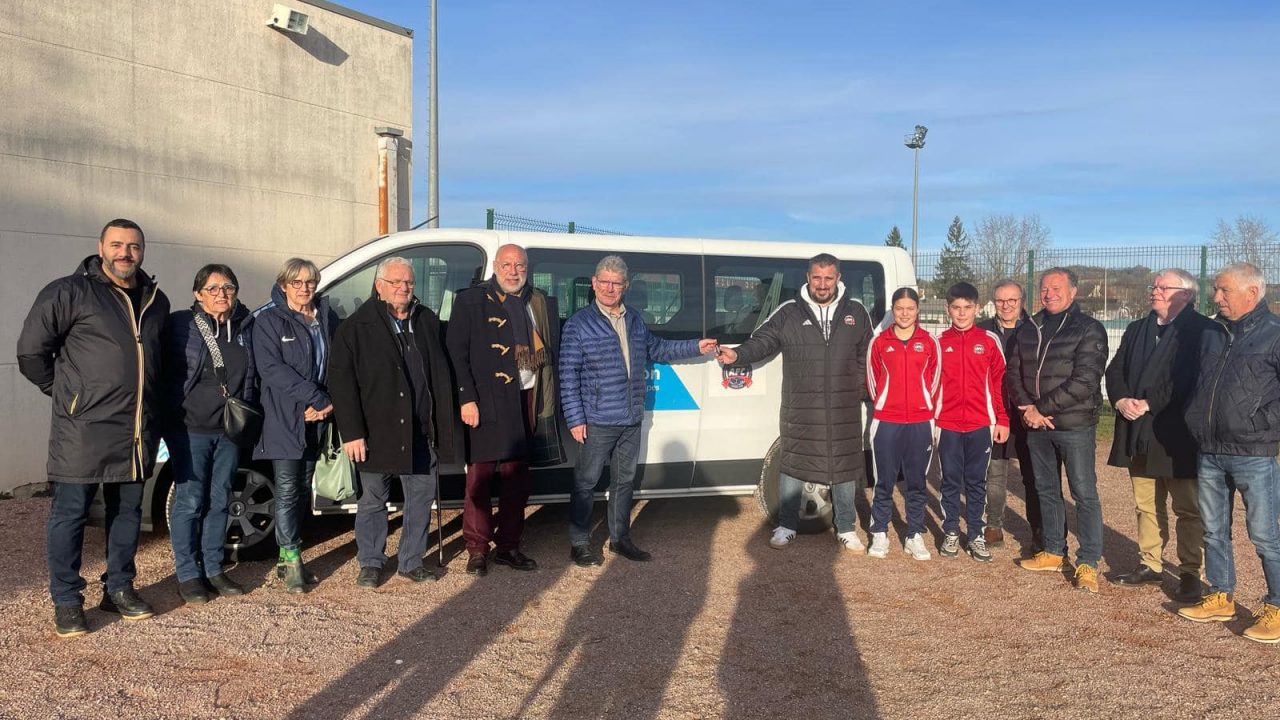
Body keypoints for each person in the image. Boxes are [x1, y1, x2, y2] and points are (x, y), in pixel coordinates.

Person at [16, 218, 171, 638]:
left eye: (134, 246)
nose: (126, 253)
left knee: (126, 515)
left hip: (136, 429)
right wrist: (70, 397)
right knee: (70, 515)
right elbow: (31, 353)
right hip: (82, 429)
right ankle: (67, 600)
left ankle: (118, 588)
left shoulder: (156, 300)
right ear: (100, 247)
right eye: (117, 245)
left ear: (143, 250)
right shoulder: (68, 292)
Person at [559, 255, 718, 566]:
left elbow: (658, 348)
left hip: (631, 416)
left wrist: (695, 347)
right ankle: (579, 543)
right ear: (593, 284)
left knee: (623, 481)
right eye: (603, 282)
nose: (609, 288)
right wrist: (576, 418)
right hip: (597, 419)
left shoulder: (633, 320)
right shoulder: (579, 324)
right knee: (585, 482)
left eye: (616, 283)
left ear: (625, 286)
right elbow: (568, 373)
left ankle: (620, 539)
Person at [715, 253, 872, 552]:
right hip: (800, 404)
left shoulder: (856, 312)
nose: (822, 284)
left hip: (843, 404)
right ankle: (786, 526)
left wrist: (859, 388)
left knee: (844, 464)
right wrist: (738, 354)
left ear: (838, 278)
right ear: (808, 277)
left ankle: (847, 527)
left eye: (828, 278)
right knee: (793, 463)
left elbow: (866, 355)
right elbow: (764, 340)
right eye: (817, 277)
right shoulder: (789, 311)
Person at [329, 257, 456, 587]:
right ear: (379, 286)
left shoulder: (425, 319)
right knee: (372, 501)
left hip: (419, 430)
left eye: (409, 283)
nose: (403, 288)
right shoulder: (356, 327)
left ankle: (411, 561)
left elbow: (439, 373)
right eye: (396, 283)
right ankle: (371, 562)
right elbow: (341, 384)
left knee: (420, 500)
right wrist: (352, 433)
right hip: (375, 432)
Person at [1179, 262, 1280, 643]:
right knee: (1213, 530)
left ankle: (1277, 605)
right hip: (1210, 448)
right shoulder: (1213, 334)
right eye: (1216, 291)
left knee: (1266, 535)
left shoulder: (1274, 334)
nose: (1216, 298)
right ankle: (1220, 594)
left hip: (1254, 452)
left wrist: (1260, 424)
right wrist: (1195, 418)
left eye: (1224, 291)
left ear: (1251, 294)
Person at [446, 243, 561, 576]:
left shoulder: (536, 301)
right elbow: (457, 352)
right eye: (507, 264)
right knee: (480, 477)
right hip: (485, 399)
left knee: (517, 478)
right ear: (495, 266)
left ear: (527, 268)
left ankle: (509, 545)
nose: (514, 271)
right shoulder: (471, 300)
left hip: (527, 397)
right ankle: (477, 548)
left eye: (520, 265)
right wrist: (466, 398)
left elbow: (548, 350)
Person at [1105, 269, 1208, 601]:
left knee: (1187, 507)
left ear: (1186, 294)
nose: (1155, 291)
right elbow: (1115, 369)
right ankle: (1150, 563)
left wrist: (1151, 403)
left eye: (1164, 287)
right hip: (1140, 430)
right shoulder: (1138, 329)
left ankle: (1191, 571)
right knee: (1145, 504)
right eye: (1154, 286)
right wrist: (1121, 400)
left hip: (1178, 434)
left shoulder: (1199, 330)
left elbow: (1193, 380)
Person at [1008, 268, 1108, 594]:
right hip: (1036, 426)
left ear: (1073, 291)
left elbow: (1085, 380)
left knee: (1083, 493)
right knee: (1046, 489)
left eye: (1057, 287)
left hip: (1073, 425)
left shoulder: (1088, 328)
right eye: (1044, 288)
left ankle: (1088, 561)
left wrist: (1043, 408)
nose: (1049, 293)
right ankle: (1053, 550)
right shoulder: (1029, 327)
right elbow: (1014, 372)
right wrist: (1027, 408)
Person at [160, 264, 256, 605]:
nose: (221, 294)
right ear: (198, 294)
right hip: (189, 429)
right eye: (213, 288)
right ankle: (188, 573)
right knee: (189, 500)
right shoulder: (180, 325)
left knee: (220, 500)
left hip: (228, 430)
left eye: (228, 287)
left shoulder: (245, 326)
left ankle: (214, 567)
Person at [252, 258, 339, 593]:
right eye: (297, 282)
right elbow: (272, 369)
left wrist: (327, 402)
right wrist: (314, 398)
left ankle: (284, 555)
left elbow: (335, 364)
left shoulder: (325, 319)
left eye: (310, 282)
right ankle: (292, 559)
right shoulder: (270, 321)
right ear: (284, 284)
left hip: (317, 416)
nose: (305, 288)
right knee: (288, 488)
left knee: (303, 486)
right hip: (285, 416)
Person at [935, 282, 1009, 562]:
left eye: (967, 307)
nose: (962, 313)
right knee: (950, 480)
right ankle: (951, 531)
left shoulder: (989, 341)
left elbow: (999, 383)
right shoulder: (940, 343)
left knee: (977, 482)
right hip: (948, 424)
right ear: (947, 309)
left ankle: (976, 534)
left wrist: (1002, 419)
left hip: (981, 424)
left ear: (977, 308)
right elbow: (931, 385)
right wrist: (933, 421)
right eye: (956, 308)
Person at [865, 287, 940, 561]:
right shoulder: (880, 342)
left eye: (910, 308)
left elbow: (934, 380)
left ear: (917, 310)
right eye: (899, 309)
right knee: (883, 480)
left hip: (920, 421)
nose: (905, 314)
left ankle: (914, 534)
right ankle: (879, 531)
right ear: (893, 310)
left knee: (916, 481)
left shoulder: (930, 342)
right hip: (887, 421)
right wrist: (885, 404)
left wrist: (925, 409)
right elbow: (873, 381)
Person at [976, 279, 1039, 550]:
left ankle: (1039, 530)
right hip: (995, 410)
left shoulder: (1036, 330)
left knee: (1033, 474)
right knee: (996, 472)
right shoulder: (982, 331)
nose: (1006, 306)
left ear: (1022, 301)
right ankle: (993, 524)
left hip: (1028, 410)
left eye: (1012, 300)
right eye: (1001, 300)